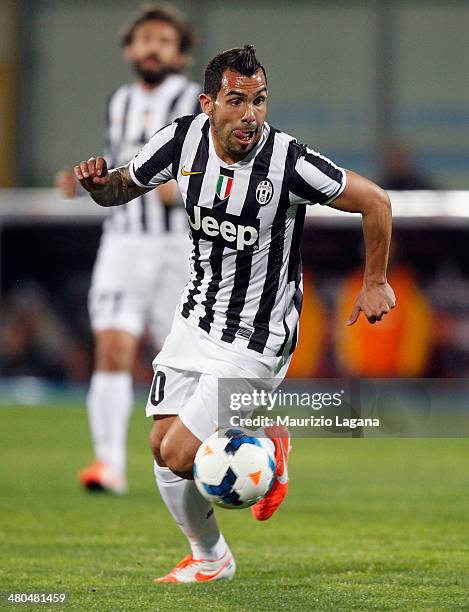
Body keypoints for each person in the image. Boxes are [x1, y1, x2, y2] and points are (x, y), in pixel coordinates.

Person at [74, 45, 395, 583]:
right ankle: (211, 556)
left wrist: (376, 280)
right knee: (159, 447)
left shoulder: (289, 162)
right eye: (237, 101)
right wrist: (96, 184)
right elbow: (121, 188)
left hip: (256, 336)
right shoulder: (182, 139)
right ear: (208, 104)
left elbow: (376, 201)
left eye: (260, 101)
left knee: (180, 455)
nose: (251, 114)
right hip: (195, 317)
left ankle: (263, 450)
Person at [56, 5, 201, 494]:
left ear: (181, 53)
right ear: (129, 49)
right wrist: (84, 184)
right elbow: (122, 166)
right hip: (123, 243)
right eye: (145, 39)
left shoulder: (194, 102)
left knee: (187, 360)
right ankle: (109, 465)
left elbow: (217, 166)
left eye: (164, 39)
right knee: (112, 348)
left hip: (182, 247)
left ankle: (220, 449)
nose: (153, 47)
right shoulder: (117, 101)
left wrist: (180, 186)